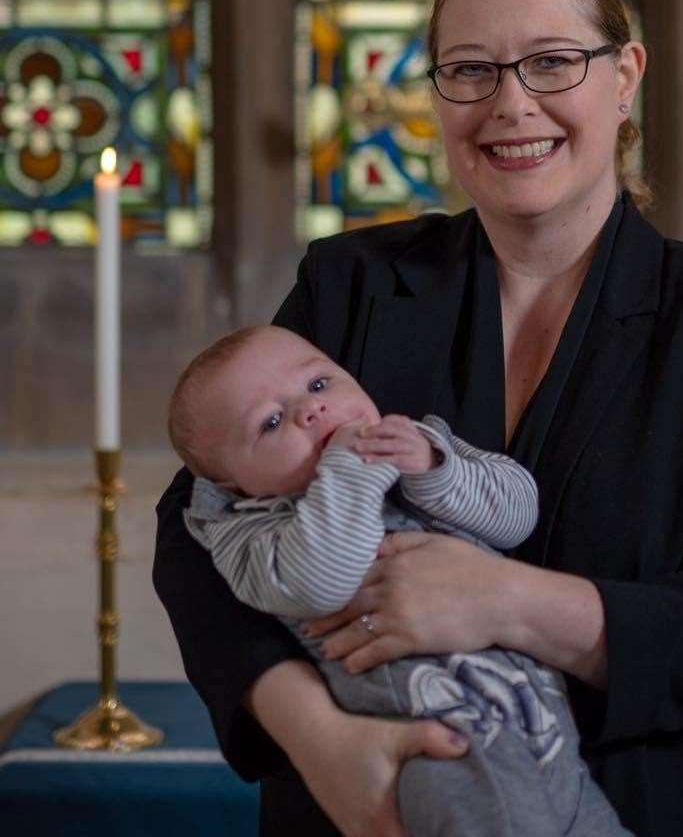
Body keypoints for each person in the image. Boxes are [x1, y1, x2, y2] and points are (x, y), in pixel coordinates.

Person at [154, 0, 683, 837]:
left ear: (625, 76)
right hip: (365, 809)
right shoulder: (350, 284)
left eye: (553, 63)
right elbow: (196, 526)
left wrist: (508, 601)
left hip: (642, 804)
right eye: (470, 70)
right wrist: (325, 746)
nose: (511, 105)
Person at [167, 324, 630, 837]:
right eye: (272, 423)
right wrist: (351, 469)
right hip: (439, 745)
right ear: (232, 486)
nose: (310, 411)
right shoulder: (253, 527)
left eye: (319, 385)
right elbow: (320, 582)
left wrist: (436, 467)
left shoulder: (416, 443)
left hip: (545, 734)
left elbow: (519, 513)